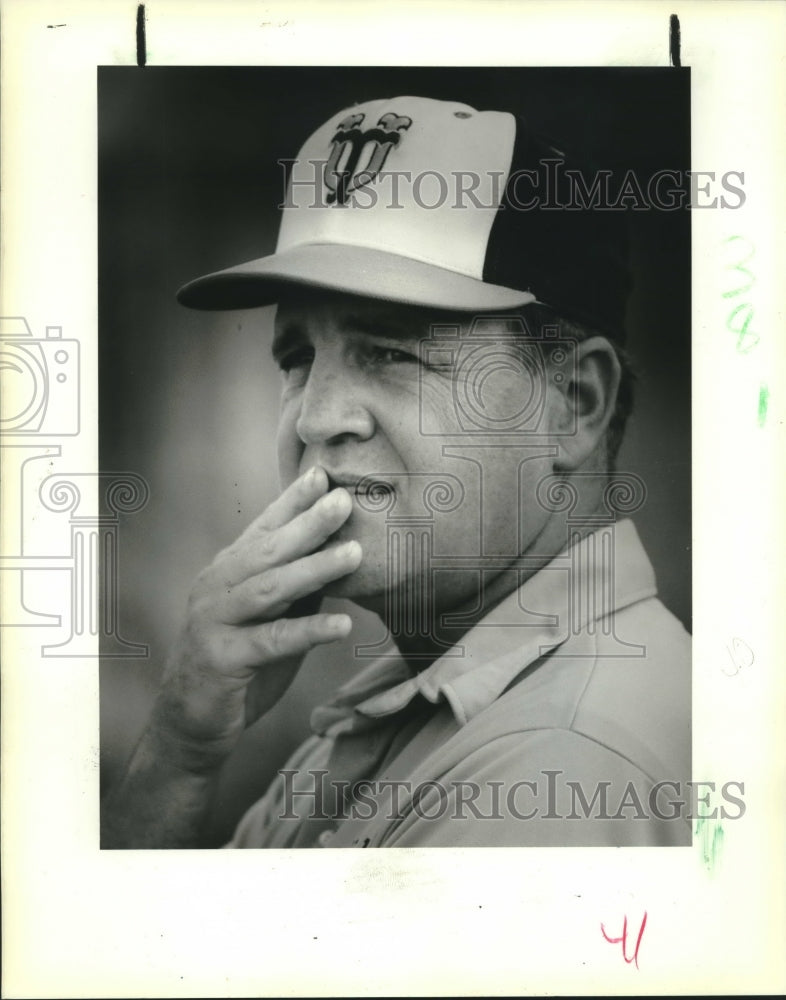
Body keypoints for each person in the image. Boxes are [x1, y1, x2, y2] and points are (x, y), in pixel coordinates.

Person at [102, 95, 690, 848]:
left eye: (390, 353)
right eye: (297, 358)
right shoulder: (438, 704)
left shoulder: (557, 763)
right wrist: (180, 753)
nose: (315, 418)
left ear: (573, 405)